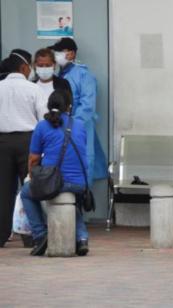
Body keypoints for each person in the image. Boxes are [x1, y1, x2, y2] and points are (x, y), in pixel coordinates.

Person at [20, 90, 89, 256]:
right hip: (81, 183)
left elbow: (34, 159)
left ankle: (40, 235)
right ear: (69, 107)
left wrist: (32, 176)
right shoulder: (79, 124)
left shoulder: (42, 126)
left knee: (26, 193)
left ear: (49, 106)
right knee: (68, 197)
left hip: (55, 182)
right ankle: (81, 239)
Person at [0, 50, 48, 248]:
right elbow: (44, 118)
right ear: (23, 67)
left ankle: (1, 235)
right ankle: (32, 236)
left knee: (3, 191)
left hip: (2, 143)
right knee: (30, 189)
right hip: (29, 142)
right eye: (30, 66)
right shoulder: (33, 89)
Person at [49, 37, 108, 184]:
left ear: (72, 54)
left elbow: (88, 105)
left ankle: (80, 202)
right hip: (58, 128)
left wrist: (71, 123)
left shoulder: (83, 75)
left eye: (59, 51)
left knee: (81, 165)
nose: (56, 54)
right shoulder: (57, 76)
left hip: (78, 127)